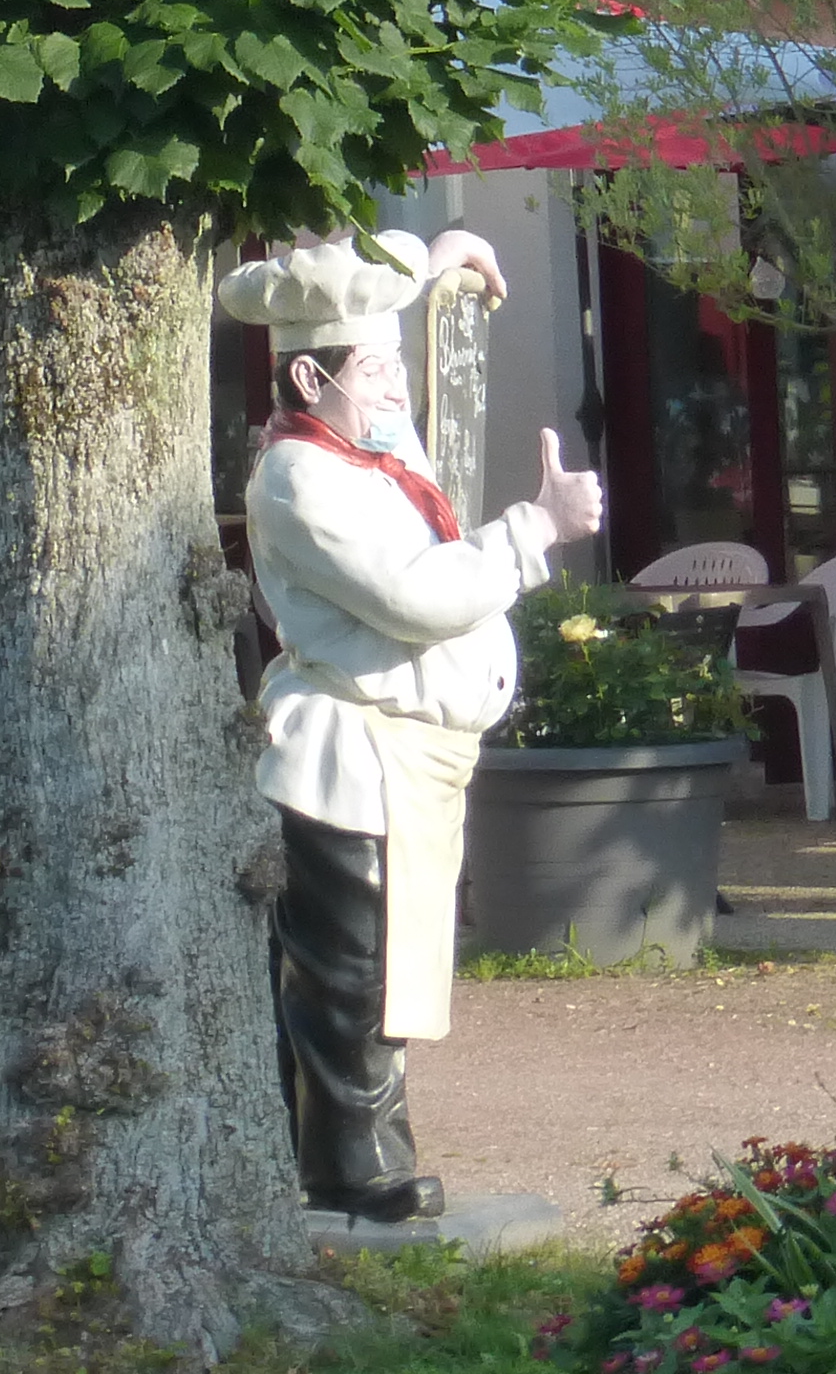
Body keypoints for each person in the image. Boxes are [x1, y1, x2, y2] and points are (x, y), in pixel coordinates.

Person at [219, 227, 605, 1224]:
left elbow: (410, 413)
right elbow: (417, 595)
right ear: (311, 375)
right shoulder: (300, 476)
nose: (398, 386)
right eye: (377, 367)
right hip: (350, 761)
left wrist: (440, 267)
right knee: (352, 978)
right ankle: (355, 1169)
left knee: (373, 966)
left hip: (401, 758)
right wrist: (538, 528)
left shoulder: (371, 447)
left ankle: (329, 1159)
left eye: (397, 361)